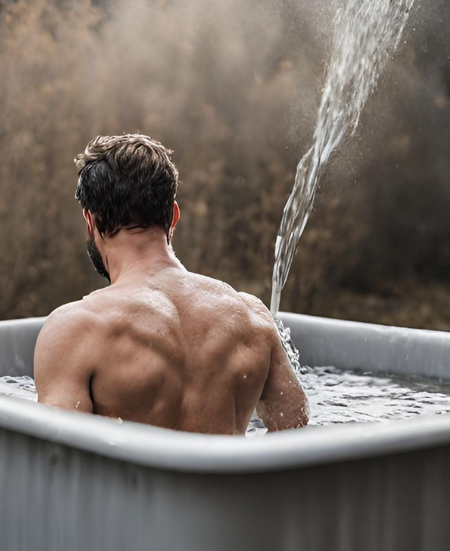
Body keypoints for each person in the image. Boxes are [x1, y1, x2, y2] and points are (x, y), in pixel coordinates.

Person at [34, 134, 309, 434]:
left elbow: (57, 459)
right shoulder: (251, 317)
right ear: (173, 216)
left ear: (90, 220)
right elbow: (295, 429)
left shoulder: (76, 329)